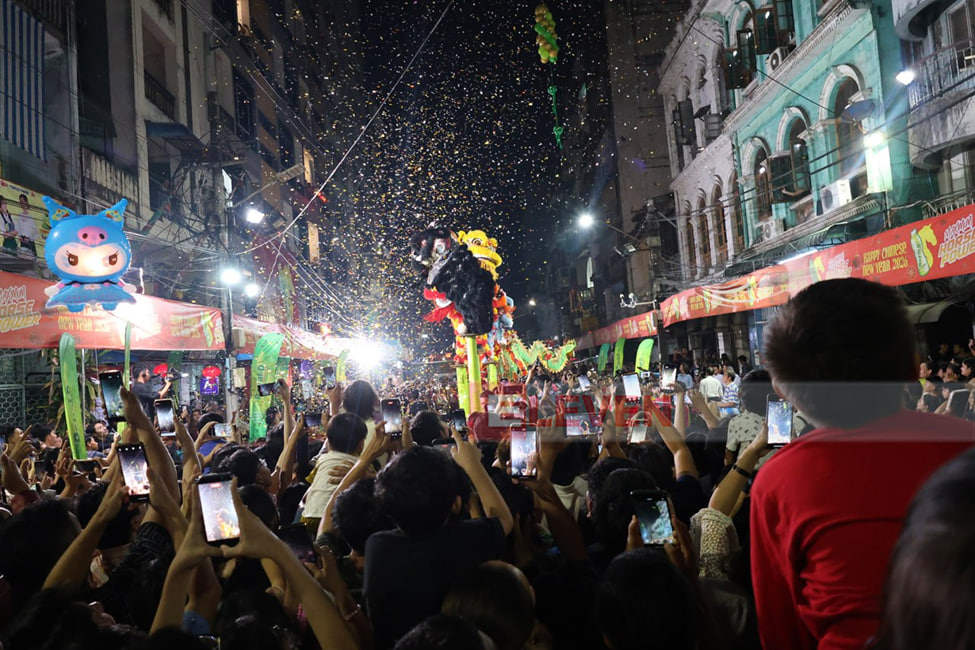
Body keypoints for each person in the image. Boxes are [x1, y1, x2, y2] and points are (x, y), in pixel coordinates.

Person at [751, 278, 975, 650]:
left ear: (781, 390)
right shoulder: (966, 445)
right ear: (913, 367)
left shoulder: (777, 481)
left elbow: (780, 631)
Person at [365, 429, 513, 649]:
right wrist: (474, 466)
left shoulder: (376, 547)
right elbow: (504, 520)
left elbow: (406, 492)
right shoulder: (463, 541)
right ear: (455, 504)